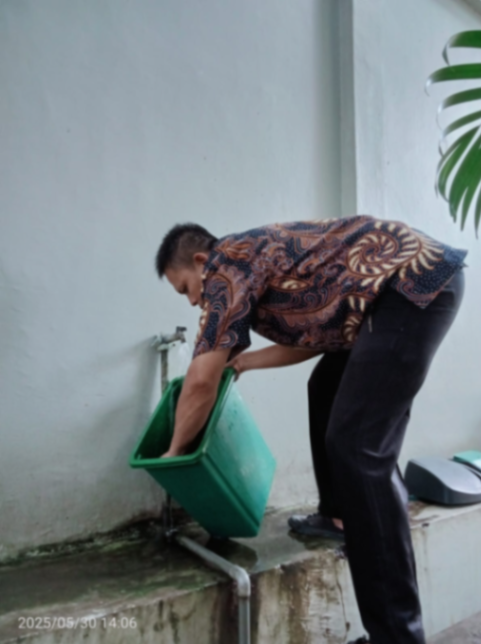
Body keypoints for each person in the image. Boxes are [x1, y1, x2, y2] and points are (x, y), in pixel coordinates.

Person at [155, 216, 466, 644]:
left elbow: (200, 381)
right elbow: (315, 339)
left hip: (412, 285)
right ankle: (338, 515)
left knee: (359, 448)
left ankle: (397, 637)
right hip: (389, 295)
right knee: (325, 388)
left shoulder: (226, 266)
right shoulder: (251, 265)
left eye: (186, 289)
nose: (192, 301)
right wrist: (244, 362)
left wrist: (173, 453)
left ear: (199, 261)